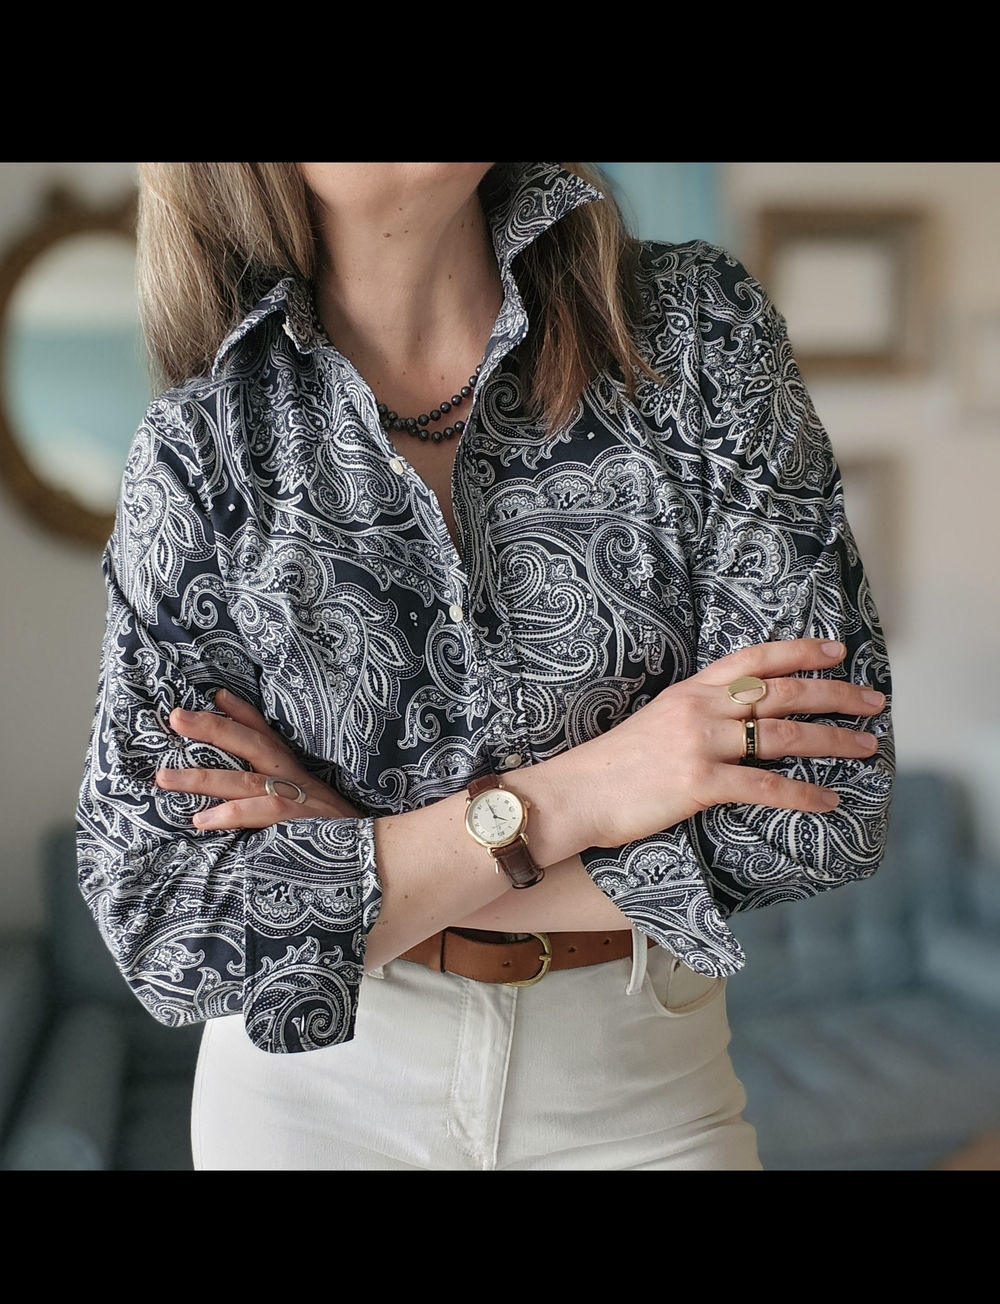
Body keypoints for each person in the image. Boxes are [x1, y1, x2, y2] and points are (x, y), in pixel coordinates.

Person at [77, 162, 892, 1171]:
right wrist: (589, 791)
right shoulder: (204, 452)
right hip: (314, 1100)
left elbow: (826, 806)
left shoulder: (695, 334)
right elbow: (165, 916)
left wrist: (368, 856)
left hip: (639, 1087)